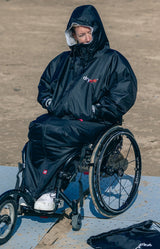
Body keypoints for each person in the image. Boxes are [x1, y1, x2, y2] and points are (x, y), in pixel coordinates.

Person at [23, 5, 137, 211]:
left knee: (58, 134)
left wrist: (96, 110)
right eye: (79, 35)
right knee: (37, 129)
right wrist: (49, 102)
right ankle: (31, 190)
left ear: (96, 31)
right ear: (72, 36)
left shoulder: (112, 60)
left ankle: (50, 192)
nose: (84, 38)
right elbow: (45, 86)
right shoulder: (63, 61)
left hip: (95, 122)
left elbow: (123, 95)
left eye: (87, 34)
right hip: (63, 117)